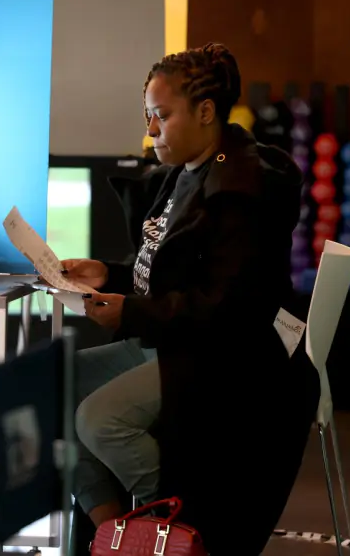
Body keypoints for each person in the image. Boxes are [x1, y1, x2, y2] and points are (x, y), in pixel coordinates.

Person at [62, 43, 319, 555]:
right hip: (172, 336)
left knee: (98, 419)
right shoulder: (184, 170)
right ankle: (117, 536)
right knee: (54, 388)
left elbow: (225, 307)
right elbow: (168, 272)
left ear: (205, 112)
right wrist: (109, 274)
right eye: (148, 116)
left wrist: (129, 312)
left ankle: (183, 530)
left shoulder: (241, 189)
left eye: (161, 116)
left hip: (221, 354)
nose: (151, 130)